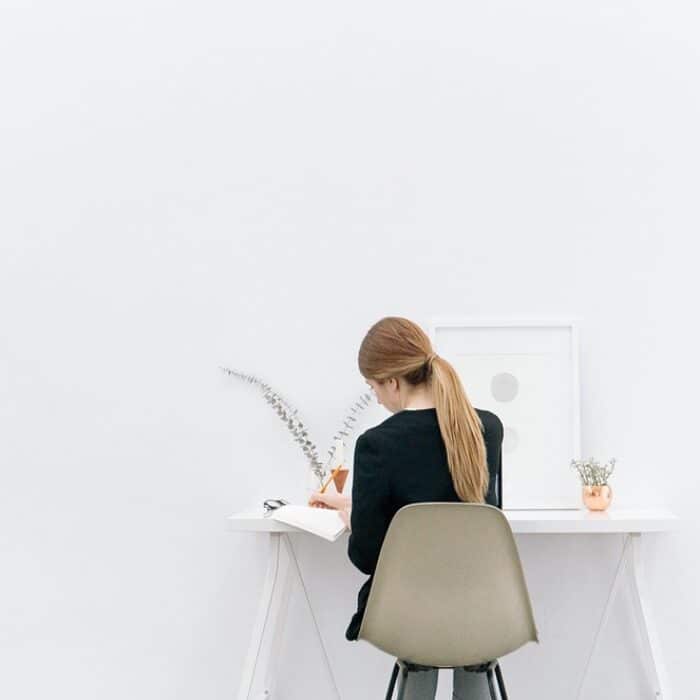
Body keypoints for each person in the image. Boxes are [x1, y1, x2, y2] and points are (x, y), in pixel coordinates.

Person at [309, 316, 504, 700]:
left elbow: (368, 557)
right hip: (484, 608)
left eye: (373, 388)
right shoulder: (486, 428)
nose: (377, 399)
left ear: (393, 382)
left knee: (419, 610)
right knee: (468, 632)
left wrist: (355, 520)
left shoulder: (377, 445)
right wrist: (359, 505)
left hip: (410, 614)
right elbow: (485, 522)